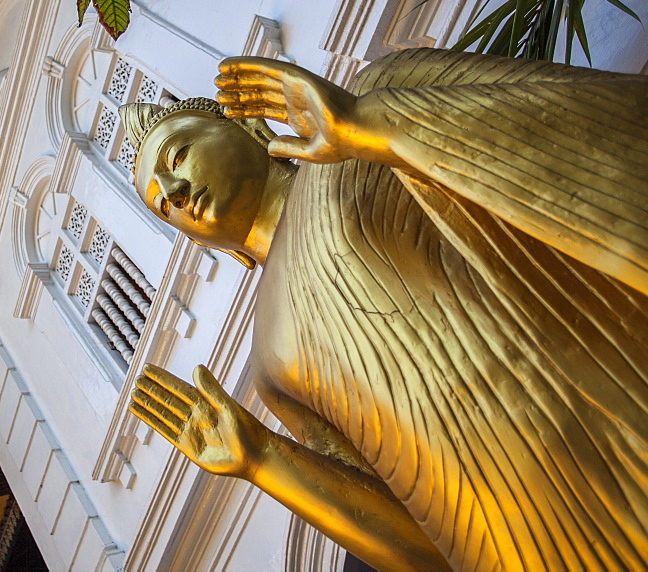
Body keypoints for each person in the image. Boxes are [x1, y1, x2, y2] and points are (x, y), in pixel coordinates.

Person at [121, 48, 648, 571]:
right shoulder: (269, 360)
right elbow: (424, 543)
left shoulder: (367, 105)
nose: (177, 192)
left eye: (178, 155)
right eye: (163, 206)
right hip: (538, 539)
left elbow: (574, 118)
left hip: (614, 392)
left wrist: (377, 126)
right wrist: (263, 460)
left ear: (249, 128)